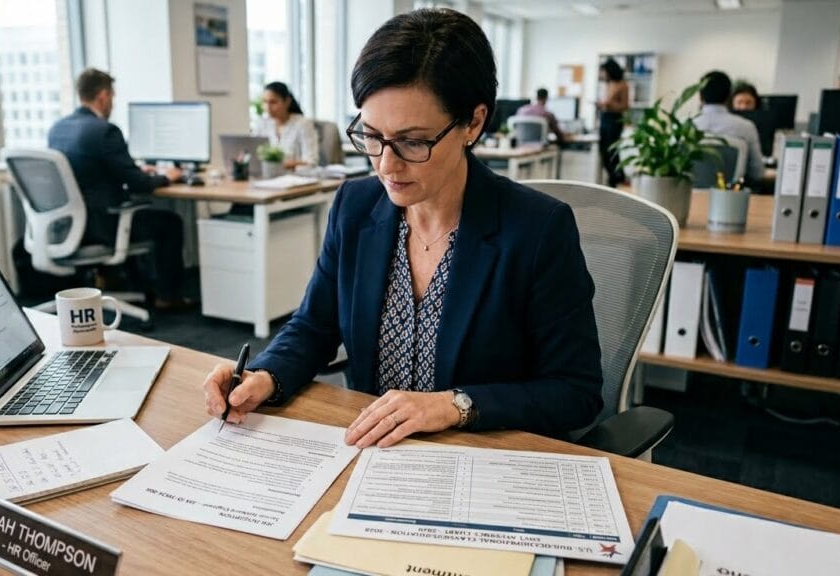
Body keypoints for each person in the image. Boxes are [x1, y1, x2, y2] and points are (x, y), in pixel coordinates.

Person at [203, 8, 603, 448]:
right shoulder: (355, 207)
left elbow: (576, 392)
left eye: (412, 142)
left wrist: (454, 404)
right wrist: (265, 374)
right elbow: (313, 326)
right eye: (371, 135)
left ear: (473, 122)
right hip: (375, 455)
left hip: (482, 458)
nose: (385, 165)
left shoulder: (537, 229)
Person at [48, 68, 189, 309]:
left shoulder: (58, 128)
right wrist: (168, 177)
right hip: (103, 226)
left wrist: (134, 171)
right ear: (103, 96)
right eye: (112, 96)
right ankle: (167, 296)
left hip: (68, 225)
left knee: (136, 215)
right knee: (171, 223)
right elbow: (139, 184)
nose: (112, 102)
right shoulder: (105, 131)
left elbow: (90, 172)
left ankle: (118, 280)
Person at [693, 70, 765, 183]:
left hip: (689, 196)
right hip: (731, 197)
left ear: (700, 97)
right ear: (729, 97)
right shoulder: (746, 127)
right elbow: (757, 173)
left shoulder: (684, 126)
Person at [253, 81, 319, 169]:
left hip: (297, 178)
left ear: (287, 101)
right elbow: (254, 154)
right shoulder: (262, 123)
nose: (267, 107)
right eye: (265, 102)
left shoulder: (303, 124)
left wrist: (279, 165)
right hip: (268, 177)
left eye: (273, 102)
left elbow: (311, 161)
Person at [596, 58, 629, 187]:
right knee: (603, 151)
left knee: (612, 151)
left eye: (604, 71)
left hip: (614, 120)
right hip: (605, 118)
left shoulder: (623, 84)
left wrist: (609, 104)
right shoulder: (608, 84)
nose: (603, 74)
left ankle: (616, 179)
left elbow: (625, 106)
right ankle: (613, 177)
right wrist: (602, 105)